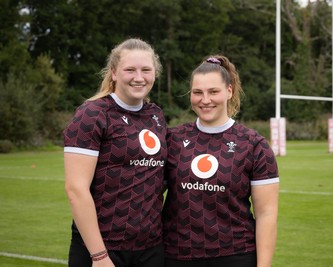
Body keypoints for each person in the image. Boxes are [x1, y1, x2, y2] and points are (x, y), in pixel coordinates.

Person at [162, 55, 279, 267]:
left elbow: (266, 214)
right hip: (177, 255)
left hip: (235, 255)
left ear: (229, 91)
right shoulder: (173, 139)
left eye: (213, 92)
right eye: (198, 92)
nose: (205, 99)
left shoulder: (253, 144)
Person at [64, 38, 167, 267]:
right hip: (102, 249)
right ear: (113, 73)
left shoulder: (156, 115)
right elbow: (76, 189)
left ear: (154, 73)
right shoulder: (92, 114)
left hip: (150, 249)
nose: (139, 77)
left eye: (146, 70)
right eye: (130, 70)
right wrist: (99, 256)